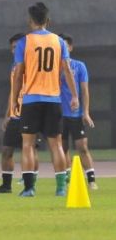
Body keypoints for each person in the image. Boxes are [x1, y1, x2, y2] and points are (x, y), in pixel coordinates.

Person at [11, 2, 79, 197]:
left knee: (28, 145)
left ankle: (29, 188)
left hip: (31, 100)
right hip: (53, 99)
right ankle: (60, 188)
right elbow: (67, 70)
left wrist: (15, 98)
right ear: (48, 20)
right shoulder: (58, 41)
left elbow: (18, 74)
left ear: (30, 20)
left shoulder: (25, 42)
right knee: (56, 144)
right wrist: (74, 95)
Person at [0, 33, 40, 194]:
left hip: (30, 112)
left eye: (18, 46)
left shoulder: (33, 64)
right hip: (15, 115)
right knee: (6, 150)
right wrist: (7, 114)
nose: (15, 50)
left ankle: (31, 183)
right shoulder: (14, 67)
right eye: (13, 48)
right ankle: (6, 185)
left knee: (30, 149)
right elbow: (13, 91)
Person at [58, 33, 97, 190]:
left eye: (65, 46)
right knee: (62, 149)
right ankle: (67, 180)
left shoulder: (79, 66)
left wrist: (85, 112)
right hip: (59, 114)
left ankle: (91, 180)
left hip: (75, 114)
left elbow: (85, 91)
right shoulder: (53, 68)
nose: (63, 49)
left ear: (71, 48)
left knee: (82, 146)